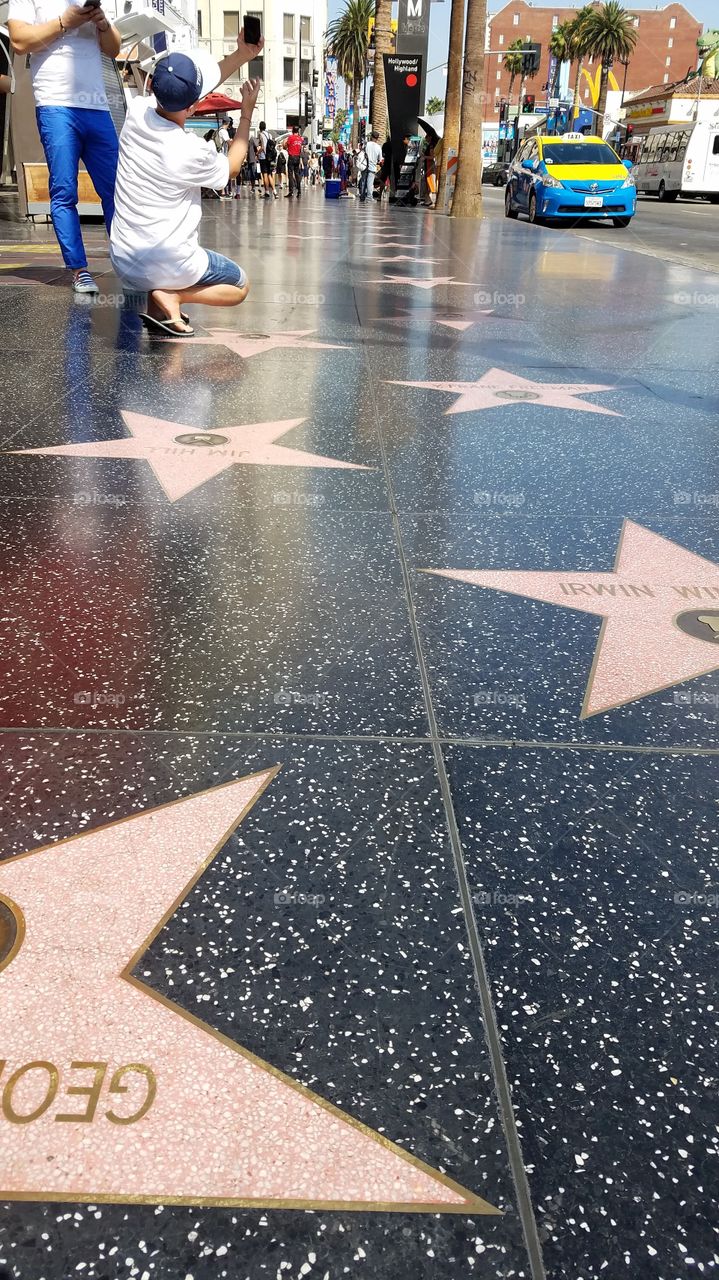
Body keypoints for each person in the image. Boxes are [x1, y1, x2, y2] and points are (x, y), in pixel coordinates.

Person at [109, 36, 263, 336]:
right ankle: (174, 296)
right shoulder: (191, 151)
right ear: (193, 106)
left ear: (153, 87)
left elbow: (183, 92)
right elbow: (231, 168)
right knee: (240, 284)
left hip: (124, 260)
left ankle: (160, 302)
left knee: (160, 260)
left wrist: (241, 55)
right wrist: (246, 114)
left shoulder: (136, 112)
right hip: (170, 261)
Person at [8, 0, 121, 294]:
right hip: (55, 103)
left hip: (97, 106)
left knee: (118, 191)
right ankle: (79, 270)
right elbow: (19, 41)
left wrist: (103, 23)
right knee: (64, 190)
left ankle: (128, 261)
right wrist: (64, 21)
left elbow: (114, 48)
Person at [359, 130, 382, 204]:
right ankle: (369, 198)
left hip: (365, 165)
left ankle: (362, 197)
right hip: (372, 167)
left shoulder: (367, 144)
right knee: (370, 183)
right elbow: (380, 159)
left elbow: (362, 153)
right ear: (377, 138)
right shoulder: (378, 147)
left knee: (363, 181)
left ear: (371, 137)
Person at [257, 119, 277, 199]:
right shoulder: (270, 135)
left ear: (259, 127)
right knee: (269, 174)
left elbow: (263, 147)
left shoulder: (261, 134)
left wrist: (257, 153)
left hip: (263, 157)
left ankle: (267, 192)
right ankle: (275, 191)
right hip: (270, 157)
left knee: (264, 174)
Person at [285, 125, 303, 198]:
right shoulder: (300, 139)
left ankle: (291, 191)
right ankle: (299, 191)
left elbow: (286, 146)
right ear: (298, 131)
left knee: (290, 174)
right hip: (297, 157)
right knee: (297, 174)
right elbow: (300, 148)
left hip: (291, 157)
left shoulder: (290, 137)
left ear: (292, 130)